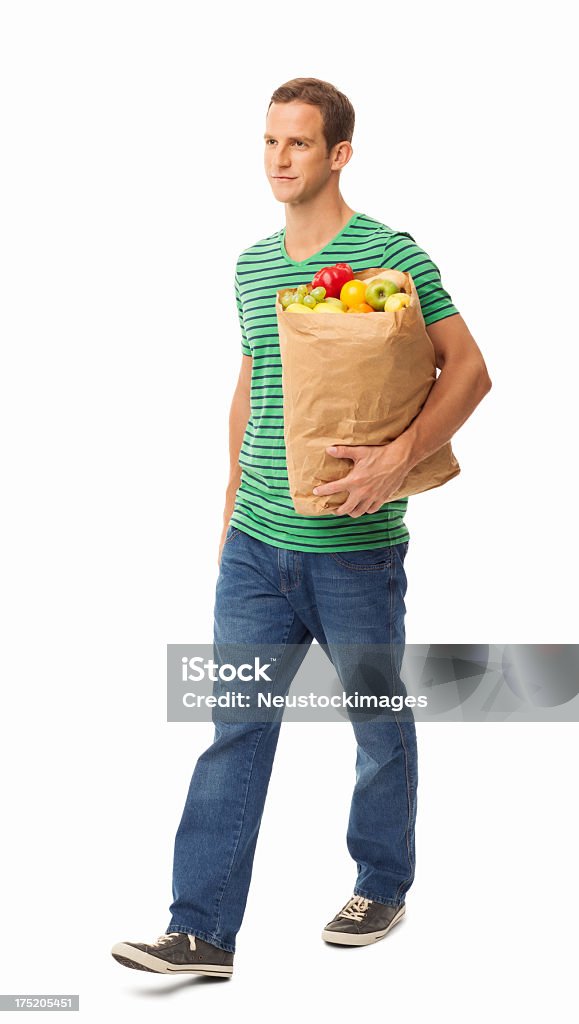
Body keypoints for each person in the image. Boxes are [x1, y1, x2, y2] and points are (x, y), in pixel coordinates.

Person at [111, 77, 492, 979]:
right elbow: (253, 381)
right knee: (234, 726)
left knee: (374, 719)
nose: (278, 160)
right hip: (253, 547)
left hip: (353, 553)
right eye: (269, 143)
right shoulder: (251, 264)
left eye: (296, 144)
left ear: (338, 155)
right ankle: (200, 929)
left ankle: (383, 882)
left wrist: (400, 457)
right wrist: (232, 495)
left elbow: (471, 370)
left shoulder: (390, 256)